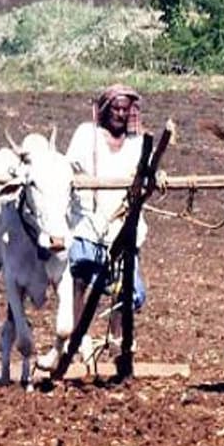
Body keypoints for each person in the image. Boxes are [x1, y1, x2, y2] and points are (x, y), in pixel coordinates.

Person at [64, 84, 149, 355]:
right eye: (115, 108)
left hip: (123, 225)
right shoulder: (86, 136)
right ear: (105, 109)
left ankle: (116, 339)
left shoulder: (138, 144)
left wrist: (154, 179)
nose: (120, 114)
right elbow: (67, 171)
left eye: (125, 110)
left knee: (124, 288)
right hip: (88, 221)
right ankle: (78, 339)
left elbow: (145, 176)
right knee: (81, 278)